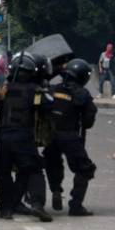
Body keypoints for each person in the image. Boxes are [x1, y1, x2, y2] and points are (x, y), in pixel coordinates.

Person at [0, 53, 53, 222]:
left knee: (3, 173)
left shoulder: (4, 89)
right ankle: (37, 204)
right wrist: (44, 85)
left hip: (2, 137)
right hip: (22, 137)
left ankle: (6, 209)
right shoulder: (34, 90)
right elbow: (48, 105)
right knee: (33, 169)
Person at [43, 59, 97, 216]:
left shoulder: (53, 89)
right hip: (70, 136)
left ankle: (56, 190)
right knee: (85, 169)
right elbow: (88, 121)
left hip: (50, 135)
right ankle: (76, 205)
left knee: (52, 164)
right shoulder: (83, 94)